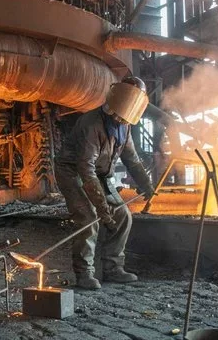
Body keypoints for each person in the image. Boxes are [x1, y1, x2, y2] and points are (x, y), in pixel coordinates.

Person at [54, 76, 155, 289]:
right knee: (88, 218)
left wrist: (146, 183)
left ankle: (113, 268)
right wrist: (102, 208)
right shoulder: (91, 124)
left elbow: (132, 159)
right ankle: (84, 274)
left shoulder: (125, 127)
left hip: (100, 174)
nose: (121, 119)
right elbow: (86, 170)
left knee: (123, 216)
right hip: (73, 172)